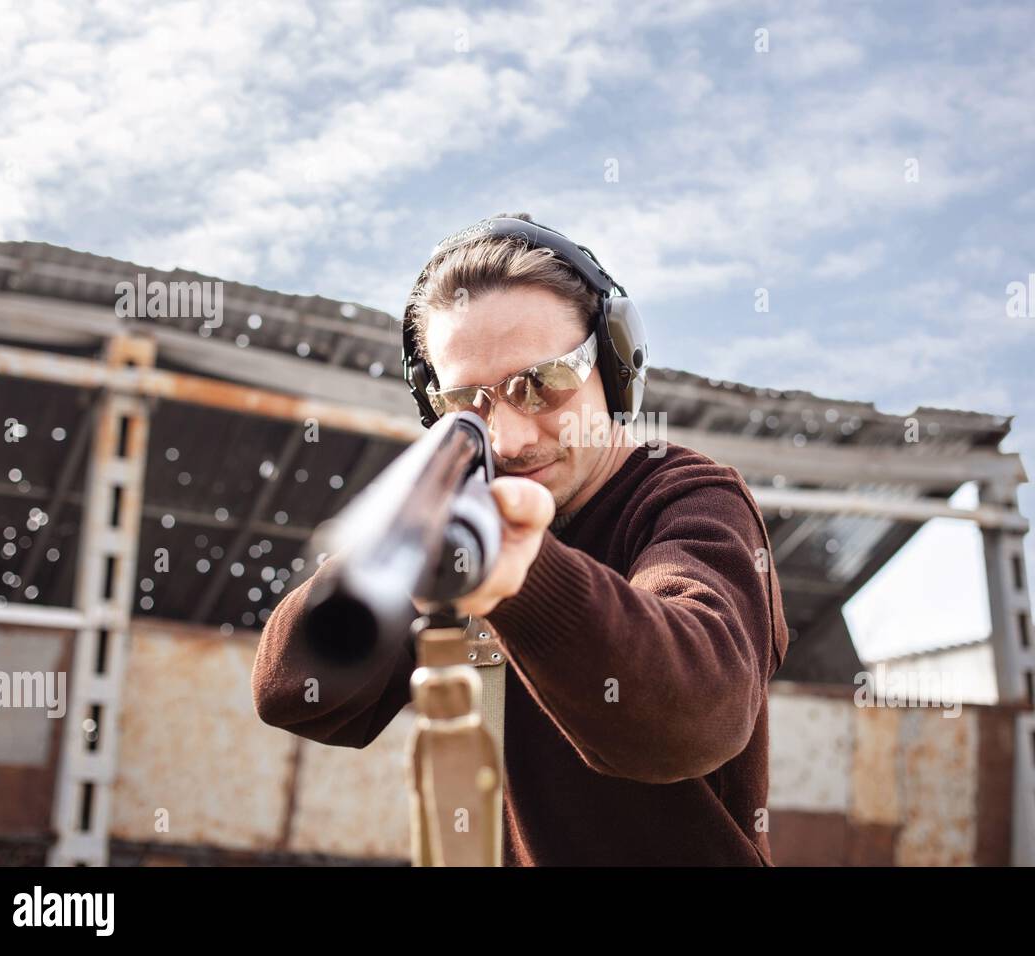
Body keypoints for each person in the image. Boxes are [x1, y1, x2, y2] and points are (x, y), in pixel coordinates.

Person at [251, 213, 789, 865]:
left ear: (615, 369)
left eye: (543, 384)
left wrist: (519, 571)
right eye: (469, 402)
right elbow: (293, 694)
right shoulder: (452, 517)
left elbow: (696, 715)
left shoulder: (687, 498)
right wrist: (424, 558)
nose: (510, 438)